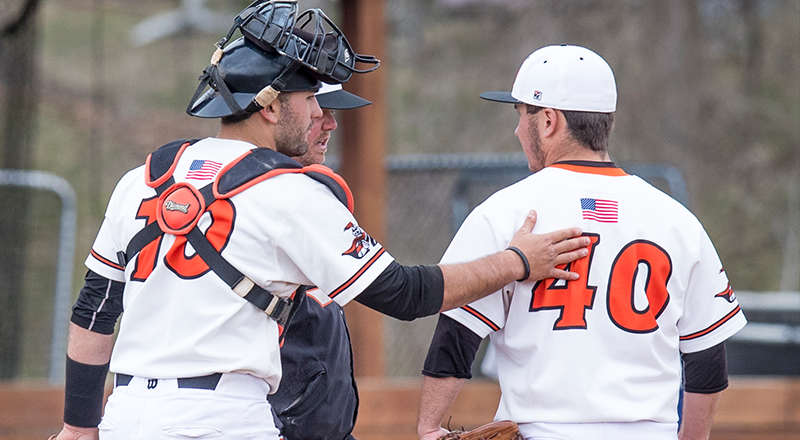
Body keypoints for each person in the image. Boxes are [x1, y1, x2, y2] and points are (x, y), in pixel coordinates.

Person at [49, 2, 590, 438]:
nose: (320, 114)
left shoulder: (142, 178)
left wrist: (78, 425)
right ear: (268, 105)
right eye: (310, 98)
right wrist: (518, 261)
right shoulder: (289, 192)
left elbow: (95, 311)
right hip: (220, 419)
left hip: (126, 417)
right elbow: (404, 294)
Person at [416, 44, 747, 440]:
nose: (518, 129)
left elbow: (457, 335)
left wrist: (429, 427)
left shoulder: (507, 212)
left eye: (522, 114)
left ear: (549, 121)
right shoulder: (678, 221)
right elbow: (708, 361)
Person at [268, 82, 371, 440]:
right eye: (317, 108)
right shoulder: (254, 210)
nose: (330, 123)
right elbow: (403, 292)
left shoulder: (311, 201)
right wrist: (514, 263)